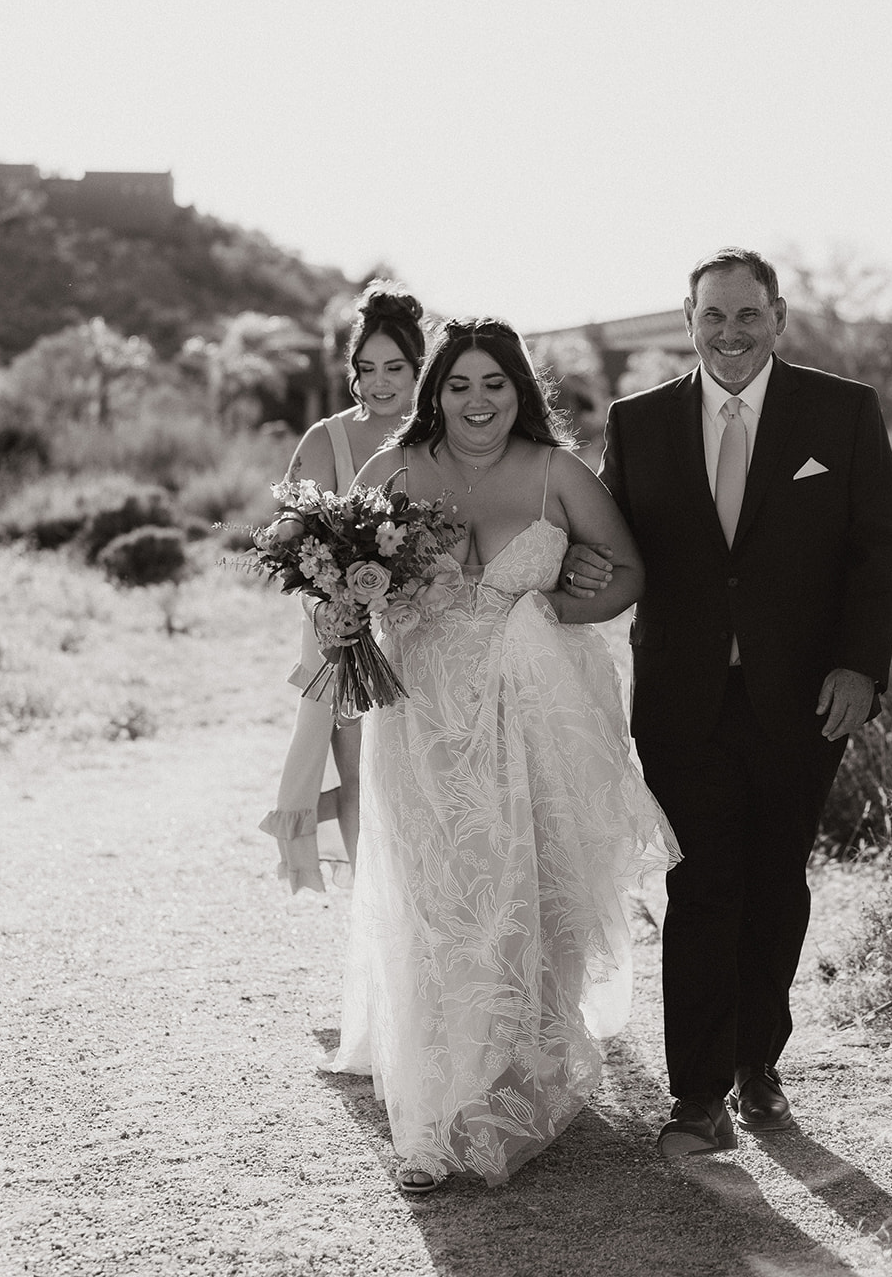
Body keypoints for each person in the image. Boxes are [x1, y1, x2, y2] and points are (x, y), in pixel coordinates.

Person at [563, 248, 892, 1157]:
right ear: (688, 319)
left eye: (746, 314)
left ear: (778, 315)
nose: (729, 333)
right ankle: (697, 1094)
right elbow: (612, 541)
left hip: (804, 699)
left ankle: (761, 1065)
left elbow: (877, 549)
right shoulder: (638, 423)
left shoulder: (841, 411)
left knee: (774, 885)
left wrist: (859, 667)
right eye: (711, 316)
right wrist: (580, 567)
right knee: (699, 884)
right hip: (681, 700)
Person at [321, 318, 679, 1193]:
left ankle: (522, 1067)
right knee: (442, 898)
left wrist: (555, 606)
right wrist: (338, 613)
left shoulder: (559, 472)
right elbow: (336, 574)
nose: (476, 402)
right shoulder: (394, 473)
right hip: (423, 720)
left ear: (519, 390)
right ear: (433, 392)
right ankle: (437, 1110)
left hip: (532, 711)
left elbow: (629, 572)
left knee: (535, 883)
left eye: (494, 384)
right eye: (458, 385)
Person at [260, 282, 427, 893]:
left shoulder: (443, 435)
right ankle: (371, 911)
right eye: (367, 368)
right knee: (358, 775)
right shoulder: (325, 438)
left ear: (419, 368)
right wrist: (289, 538)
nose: (380, 382)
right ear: (352, 371)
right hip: (346, 633)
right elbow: (294, 535)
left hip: (426, 623)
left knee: (422, 775)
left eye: (395, 368)